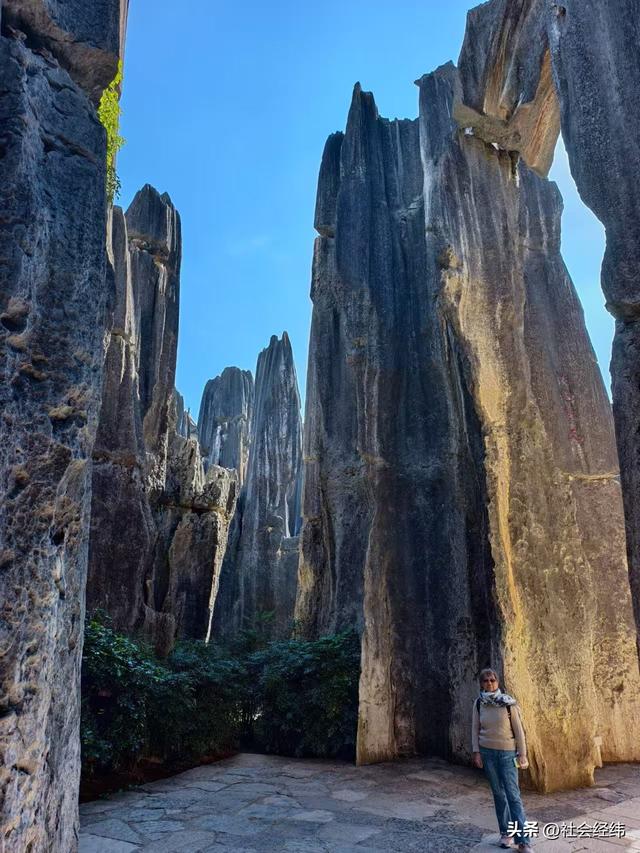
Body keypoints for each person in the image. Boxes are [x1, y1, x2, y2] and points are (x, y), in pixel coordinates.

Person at [472, 668, 532, 851]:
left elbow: (519, 731)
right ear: (481, 684)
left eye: (492, 680)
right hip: (487, 753)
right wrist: (476, 752)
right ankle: (506, 833)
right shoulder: (479, 703)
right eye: (486, 680)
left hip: (507, 753)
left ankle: (523, 840)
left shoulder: (508, 703)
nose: (489, 683)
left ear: (497, 682)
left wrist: (522, 754)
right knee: (499, 795)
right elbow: (475, 729)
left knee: (513, 796)